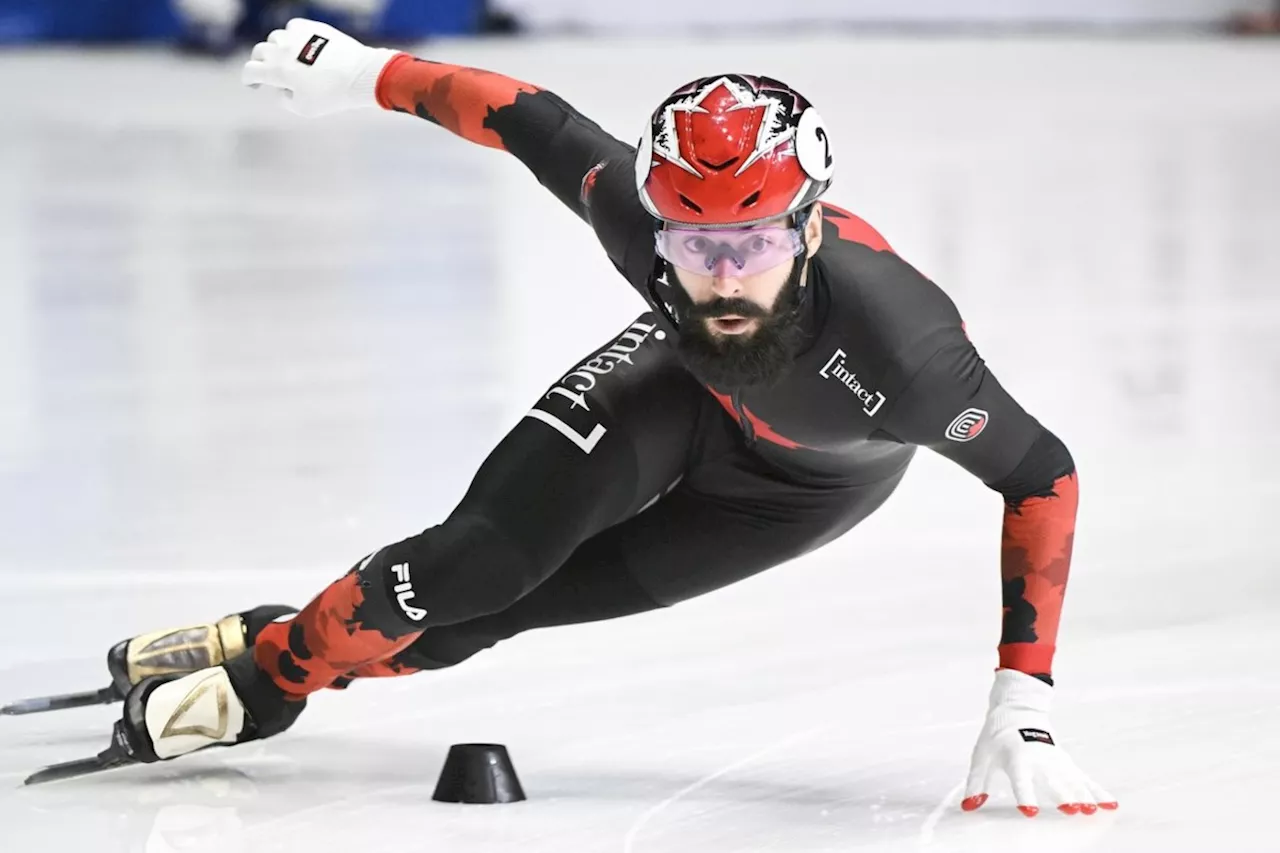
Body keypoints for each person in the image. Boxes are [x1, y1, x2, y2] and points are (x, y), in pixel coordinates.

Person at [93, 18, 1117, 817]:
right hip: (672, 390)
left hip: (800, 489)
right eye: (690, 245)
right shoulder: (640, 219)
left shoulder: (901, 346)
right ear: (653, 221)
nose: (720, 279)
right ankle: (274, 665)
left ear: (807, 228)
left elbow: (1040, 472)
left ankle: (280, 644)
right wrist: (366, 71)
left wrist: (1020, 699)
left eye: (753, 244)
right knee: (476, 565)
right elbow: (525, 116)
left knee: (498, 614)